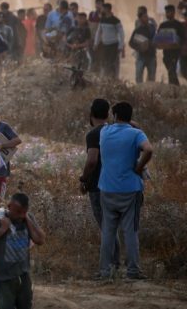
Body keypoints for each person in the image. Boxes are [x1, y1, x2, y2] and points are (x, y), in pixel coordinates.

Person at [97, 102, 153, 280]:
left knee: (108, 232)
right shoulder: (136, 133)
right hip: (130, 189)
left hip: (107, 188)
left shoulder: (104, 132)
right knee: (130, 232)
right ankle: (133, 272)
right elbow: (149, 149)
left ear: (114, 115)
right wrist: (139, 167)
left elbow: (112, 124)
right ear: (130, 116)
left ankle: (105, 271)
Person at [0, 193, 46, 309]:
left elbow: (40, 239)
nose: (21, 216)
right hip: (2, 278)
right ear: (9, 206)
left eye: (24, 212)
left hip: (23, 275)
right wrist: (2, 228)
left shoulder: (28, 218)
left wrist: (27, 219)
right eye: (18, 212)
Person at [79, 99, 120, 274]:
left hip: (98, 185)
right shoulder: (116, 130)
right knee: (113, 226)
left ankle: (109, 266)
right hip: (117, 184)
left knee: (106, 227)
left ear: (91, 114)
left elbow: (92, 161)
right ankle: (116, 263)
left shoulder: (94, 134)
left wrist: (83, 179)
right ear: (108, 114)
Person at [93, 3, 124, 79]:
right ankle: (105, 79)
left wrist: (121, 46)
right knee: (104, 62)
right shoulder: (102, 20)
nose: (101, 10)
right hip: (104, 45)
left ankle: (113, 79)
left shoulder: (116, 20)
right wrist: (96, 43)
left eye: (103, 8)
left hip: (113, 45)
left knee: (112, 63)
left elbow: (121, 34)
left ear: (107, 9)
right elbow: (98, 32)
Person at [157, 4, 185, 85]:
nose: (167, 14)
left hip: (175, 52)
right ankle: (176, 86)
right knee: (169, 67)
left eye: (169, 12)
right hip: (166, 52)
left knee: (171, 69)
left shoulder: (178, 25)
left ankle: (173, 86)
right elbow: (158, 37)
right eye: (166, 12)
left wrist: (178, 43)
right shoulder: (163, 25)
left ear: (173, 13)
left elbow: (182, 37)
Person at [129, 8, 157, 84]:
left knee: (151, 78)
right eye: (144, 17)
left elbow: (156, 38)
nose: (146, 18)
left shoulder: (152, 28)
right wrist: (139, 48)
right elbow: (131, 43)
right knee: (138, 77)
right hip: (141, 56)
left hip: (151, 56)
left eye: (146, 16)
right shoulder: (138, 30)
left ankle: (150, 93)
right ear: (140, 18)